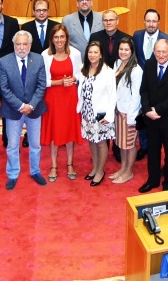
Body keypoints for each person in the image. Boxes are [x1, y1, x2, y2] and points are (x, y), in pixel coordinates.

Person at [0, 31, 48, 189]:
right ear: (14, 45)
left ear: (30, 45)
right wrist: (20, 106)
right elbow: (4, 89)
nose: (21, 47)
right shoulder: (4, 61)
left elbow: (41, 85)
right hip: (13, 111)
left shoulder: (38, 59)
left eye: (24, 44)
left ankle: (35, 171)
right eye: (18, 44)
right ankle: (12, 173)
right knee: (12, 145)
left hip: (34, 109)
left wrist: (31, 105)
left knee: (35, 144)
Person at [138, 37, 168, 193]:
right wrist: (147, 111)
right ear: (154, 52)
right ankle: (153, 180)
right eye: (157, 51)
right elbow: (144, 90)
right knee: (152, 151)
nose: (161, 54)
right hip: (151, 119)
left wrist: (157, 110)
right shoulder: (149, 64)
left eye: (164, 51)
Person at [41, 24, 82, 181]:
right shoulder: (45, 55)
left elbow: (80, 72)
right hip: (53, 97)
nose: (59, 40)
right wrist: (60, 82)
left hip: (70, 97)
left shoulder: (75, 54)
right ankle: (53, 165)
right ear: (52, 39)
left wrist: (74, 79)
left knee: (69, 130)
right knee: (54, 131)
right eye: (56, 37)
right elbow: (43, 80)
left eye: (62, 37)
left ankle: (70, 164)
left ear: (66, 38)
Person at [131, 8, 168, 159]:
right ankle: (144, 146)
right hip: (139, 81)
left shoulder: (166, 39)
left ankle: (157, 146)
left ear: (159, 22)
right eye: (148, 21)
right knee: (142, 112)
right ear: (144, 21)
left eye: (154, 21)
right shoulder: (136, 35)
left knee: (154, 114)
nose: (151, 24)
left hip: (158, 83)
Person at [77, 40, 116, 186]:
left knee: (100, 142)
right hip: (87, 112)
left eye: (95, 52)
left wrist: (109, 115)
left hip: (101, 114)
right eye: (90, 52)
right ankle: (94, 167)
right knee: (91, 141)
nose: (92, 55)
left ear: (101, 55)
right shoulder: (83, 68)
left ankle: (100, 171)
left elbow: (113, 95)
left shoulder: (108, 71)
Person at [111, 36, 142, 184]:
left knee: (129, 145)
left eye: (126, 49)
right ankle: (123, 168)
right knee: (121, 143)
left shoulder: (136, 70)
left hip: (128, 113)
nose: (123, 52)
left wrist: (131, 117)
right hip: (118, 110)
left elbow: (136, 96)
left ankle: (128, 171)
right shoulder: (117, 63)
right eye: (121, 49)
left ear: (132, 51)